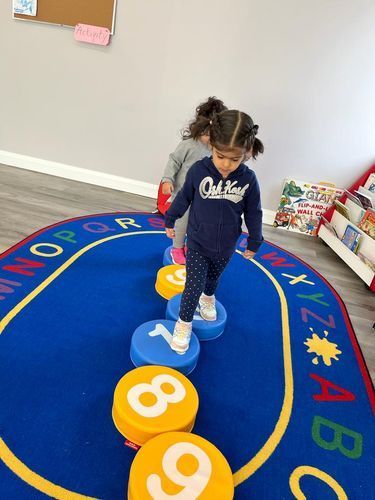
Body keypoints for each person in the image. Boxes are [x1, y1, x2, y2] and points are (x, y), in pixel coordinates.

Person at [164, 109, 264, 353]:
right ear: (211, 145)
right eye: (221, 156)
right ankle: (184, 323)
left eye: (234, 159)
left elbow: (254, 212)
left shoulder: (249, 180)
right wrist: (171, 218)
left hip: (227, 244)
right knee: (192, 285)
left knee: (213, 278)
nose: (226, 165)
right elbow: (184, 197)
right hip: (198, 241)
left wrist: (255, 240)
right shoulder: (199, 170)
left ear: (246, 154)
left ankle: (209, 298)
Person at [161, 97, 228, 265]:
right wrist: (167, 180)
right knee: (182, 222)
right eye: (206, 133)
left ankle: (190, 247)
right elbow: (174, 161)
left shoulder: (217, 150)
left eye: (214, 134)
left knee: (198, 225)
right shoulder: (189, 144)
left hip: (205, 196)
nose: (209, 138)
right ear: (199, 128)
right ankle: (177, 248)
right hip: (185, 194)